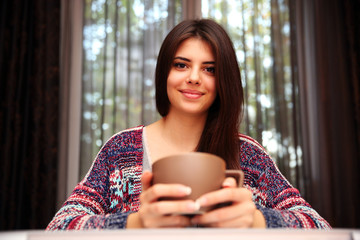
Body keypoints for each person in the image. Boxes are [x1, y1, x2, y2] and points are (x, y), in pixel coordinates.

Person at [47, 19, 330, 230]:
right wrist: (136, 222)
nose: (194, 77)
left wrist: (257, 219)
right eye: (181, 65)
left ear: (223, 82)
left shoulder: (248, 154)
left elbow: (319, 227)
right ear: (164, 73)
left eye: (210, 69)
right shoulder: (120, 149)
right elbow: (59, 227)